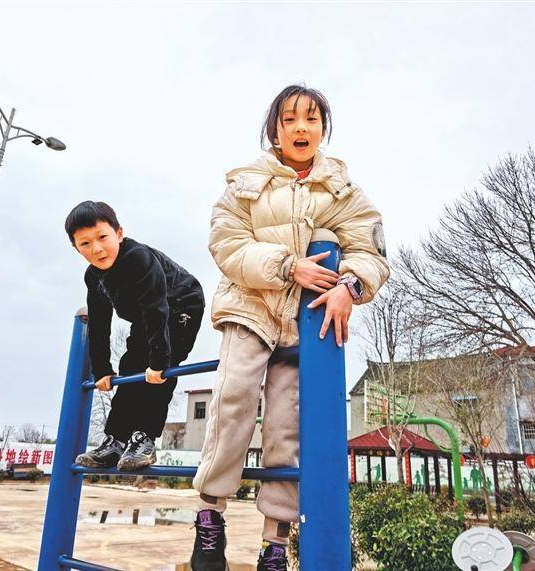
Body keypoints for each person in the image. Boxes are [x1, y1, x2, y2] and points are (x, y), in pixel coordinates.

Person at [190, 85, 390, 570]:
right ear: (274, 130)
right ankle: (210, 516)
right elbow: (227, 244)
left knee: (287, 423)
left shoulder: (342, 191)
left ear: (323, 128)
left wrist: (349, 286)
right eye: (289, 119)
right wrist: (286, 265)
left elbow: (369, 250)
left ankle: (274, 541)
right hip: (252, 305)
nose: (301, 127)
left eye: (311, 119)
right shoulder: (246, 184)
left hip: (305, 320)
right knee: (234, 396)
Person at [66, 201, 204, 471]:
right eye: (85, 243)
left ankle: (145, 439)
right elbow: (99, 322)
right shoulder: (93, 277)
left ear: (119, 234)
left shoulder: (138, 259)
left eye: (102, 237)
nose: (96, 249)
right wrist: (101, 369)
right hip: (146, 315)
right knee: (130, 365)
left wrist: (159, 361)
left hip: (181, 305)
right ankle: (116, 440)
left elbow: (157, 309)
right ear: (76, 248)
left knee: (158, 373)